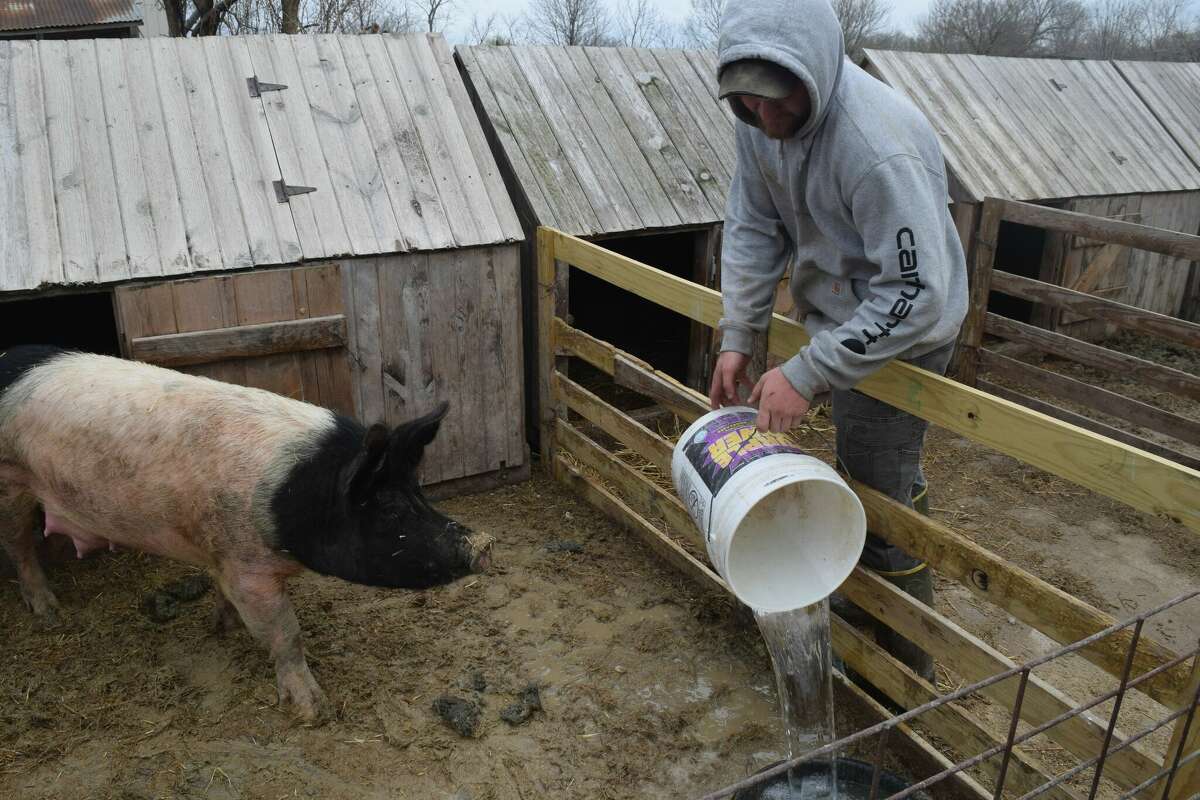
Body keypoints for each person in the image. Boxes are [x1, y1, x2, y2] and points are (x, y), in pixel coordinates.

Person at [708, 0, 968, 681]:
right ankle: (861, 616)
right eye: (746, 102)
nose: (765, 119)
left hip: (904, 331)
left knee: (880, 482)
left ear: (815, 68)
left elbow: (917, 292)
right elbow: (753, 222)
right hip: (837, 312)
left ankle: (906, 666)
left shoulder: (877, 146)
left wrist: (808, 370)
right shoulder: (759, 121)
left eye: (777, 98)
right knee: (868, 470)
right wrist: (740, 331)